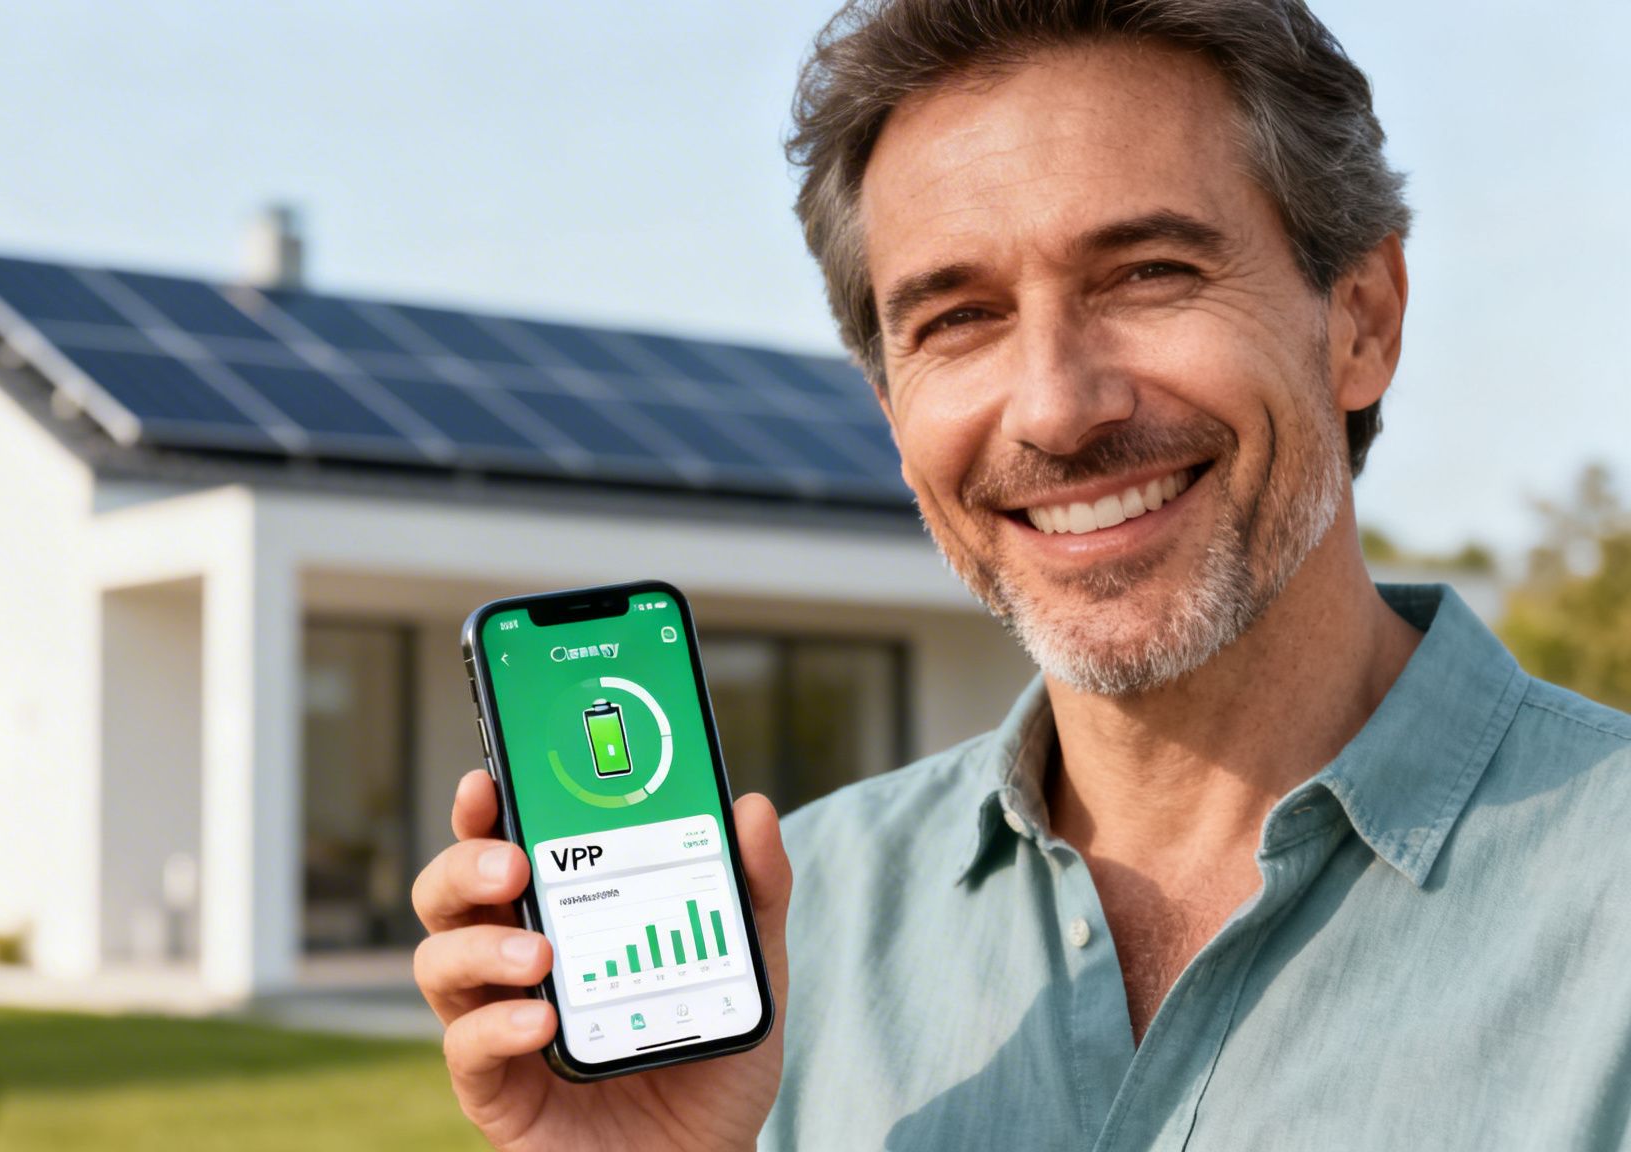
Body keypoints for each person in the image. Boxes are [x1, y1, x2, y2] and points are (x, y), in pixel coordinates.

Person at [413, 1, 1631, 1148]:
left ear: (1360, 319)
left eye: (1148, 273)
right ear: (892, 417)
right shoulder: (792, 924)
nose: (1054, 407)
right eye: (956, 319)